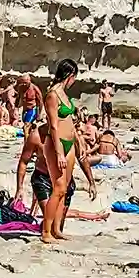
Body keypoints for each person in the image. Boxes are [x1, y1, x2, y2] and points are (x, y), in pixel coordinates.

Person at [41, 59, 99, 243]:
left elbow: (70, 122)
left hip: (70, 144)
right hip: (56, 145)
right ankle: (46, 232)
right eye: (74, 77)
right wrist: (58, 153)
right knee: (57, 188)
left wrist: (78, 141)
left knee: (64, 190)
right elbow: (53, 127)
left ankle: (57, 229)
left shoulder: (64, 94)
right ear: (70, 75)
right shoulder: (52, 95)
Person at [15, 118, 104, 223]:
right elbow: (23, 162)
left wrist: (91, 182)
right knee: (50, 217)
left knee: (59, 223)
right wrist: (19, 188)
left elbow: (82, 158)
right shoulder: (36, 136)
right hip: (43, 178)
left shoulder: (70, 134)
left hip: (65, 180)